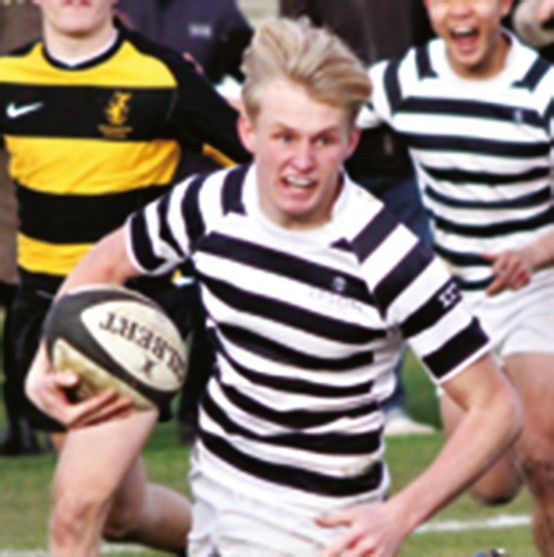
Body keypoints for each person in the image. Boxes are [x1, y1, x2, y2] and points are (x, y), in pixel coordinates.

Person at [25, 17, 522, 556]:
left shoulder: (387, 256)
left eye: (323, 140)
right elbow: (106, 263)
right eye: (284, 137)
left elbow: (496, 409)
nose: (301, 163)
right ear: (248, 131)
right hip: (217, 492)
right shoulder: (209, 203)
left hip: (323, 520)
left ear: (351, 141)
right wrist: (45, 362)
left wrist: (396, 516)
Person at [0, 0, 249, 554]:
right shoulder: (8, 76)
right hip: (42, 319)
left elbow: (259, 164)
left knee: (75, 513)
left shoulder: (164, 76)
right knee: (122, 515)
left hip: (132, 317)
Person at [358, 0, 554, 553]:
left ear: (506, 4)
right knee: (489, 486)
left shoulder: (542, 89)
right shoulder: (403, 80)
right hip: (459, 295)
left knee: (544, 458)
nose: (460, 11)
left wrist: (532, 254)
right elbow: (316, 107)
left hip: (539, 286)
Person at [278, 0, 437, 436]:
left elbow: (428, 48)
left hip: (405, 162)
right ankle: (325, 402)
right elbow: (295, 52)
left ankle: (389, 403)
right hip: (340, 163)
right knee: (333, 286)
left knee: (400, 286)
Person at [114, 0, 255, 444]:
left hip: (208, 184)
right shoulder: (115, 9)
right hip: (140, 193)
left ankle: (197, 408)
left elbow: (253, 70)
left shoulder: (217, 9)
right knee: (150, 306)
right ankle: (144, 398)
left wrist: (215, 93)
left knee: (209, 302)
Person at [0, 0, 43, 456]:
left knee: (22, 315)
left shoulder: (34, 18)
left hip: (23, 195)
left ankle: (26, 422)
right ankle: (25, 422)